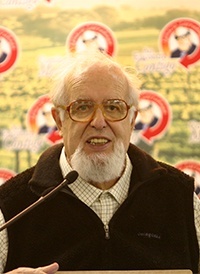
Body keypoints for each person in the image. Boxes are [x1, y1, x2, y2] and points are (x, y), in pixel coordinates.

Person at [0, 50, 200, 274]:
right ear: (59, 120)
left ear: (132, 120)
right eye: (83, 107)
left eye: (113, 107)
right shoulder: (11, 207)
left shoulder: (181, 198)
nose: (98, 122)